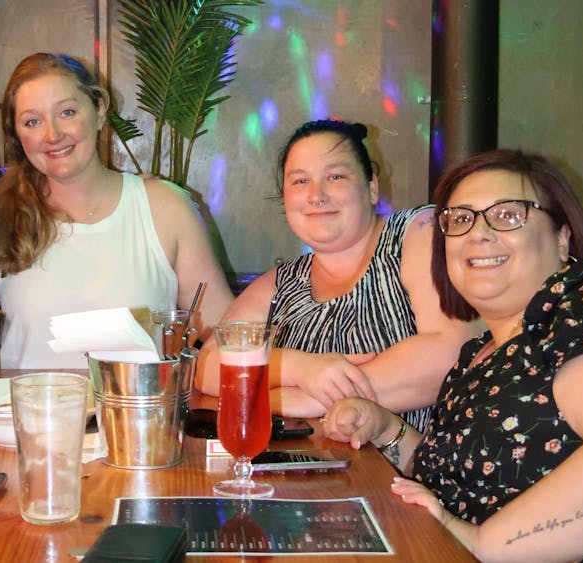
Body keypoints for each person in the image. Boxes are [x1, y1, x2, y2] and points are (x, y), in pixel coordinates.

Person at [322, 149, 583, 561]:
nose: (478, 234)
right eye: (460, 219)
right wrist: (386, 430)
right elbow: (458, 479)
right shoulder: (479, 353)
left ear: (563, 238)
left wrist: (476, 542)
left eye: (508, 215)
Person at [195, 119, 476, 428]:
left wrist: (308, 400)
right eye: (300, 181)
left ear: (371, 187)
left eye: (336, 176)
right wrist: (299, 368)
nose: (317, 195)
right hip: (309, 467)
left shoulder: (418, 232)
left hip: (413, 470)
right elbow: (206, 366)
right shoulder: (282, 282)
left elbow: (452, 352)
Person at [0, 52, 233, 368]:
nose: (52, 135)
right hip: (21, 414)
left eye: (67, 112)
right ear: (17, 134)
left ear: (99, 110)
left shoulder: (164, 207)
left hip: (136, 416)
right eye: (32, 121)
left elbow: (226, 333)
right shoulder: (0, 208)